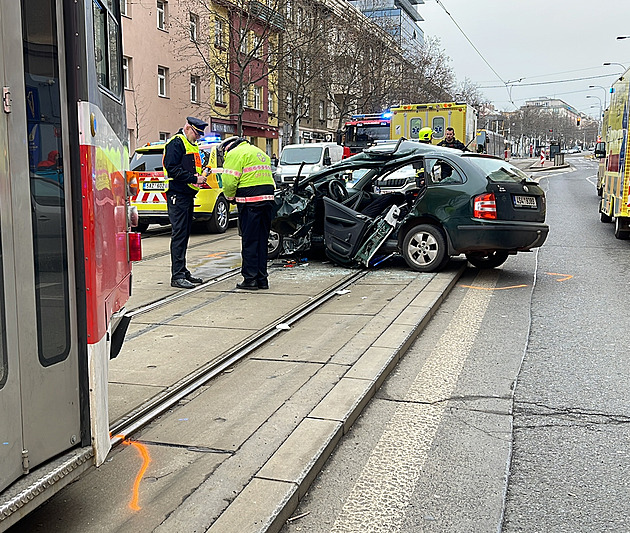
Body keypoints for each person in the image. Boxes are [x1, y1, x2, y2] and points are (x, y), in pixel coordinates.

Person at [218, 136, 276, 290]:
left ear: (228, 147)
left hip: (251, 202)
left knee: (250, 241)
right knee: (262, 241)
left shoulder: (235, 154)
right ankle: (262, 279)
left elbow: (229, 181)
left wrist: (230, 197)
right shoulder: (259, 152)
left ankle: (250, 279)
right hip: (268, 200)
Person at [163, 116, 209, 289]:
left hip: (187, 195)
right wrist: (195, 178)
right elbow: (172, 168)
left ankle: (182, 270)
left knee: (184, 234)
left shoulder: (191, 144)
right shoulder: (177, 142)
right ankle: (177, 275)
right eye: (196, 133)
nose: (198, 137)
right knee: (179, 234)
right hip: (178, 194)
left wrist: (200, 174)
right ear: (188, 128)